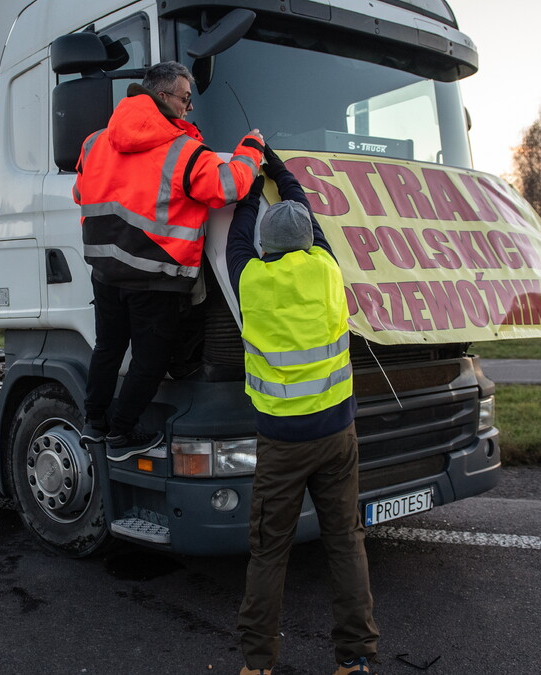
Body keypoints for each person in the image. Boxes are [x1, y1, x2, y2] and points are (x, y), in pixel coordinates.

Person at [227, 148, 378, 675]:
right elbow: (302, 205)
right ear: (310, 241)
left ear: (266, 248)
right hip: (339, 433)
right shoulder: (329, 271)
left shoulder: (251, 280)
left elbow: (236, 237)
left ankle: (258, 664)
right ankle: (356, 659)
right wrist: (277, 167)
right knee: (345, 543)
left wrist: (249, 183)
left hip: (282, 444)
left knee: (270, 553)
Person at [74, 60, 264, 461]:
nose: (188, 108)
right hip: (154, 274)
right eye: (185, 99)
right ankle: (120, 435)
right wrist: (250, 149)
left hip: (105, 270)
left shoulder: (94, 143)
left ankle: (93, 425)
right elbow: (226, 186)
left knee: (108, 349)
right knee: (150, 361)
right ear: (162, 97)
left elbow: (80, 193)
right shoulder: (183, 150)